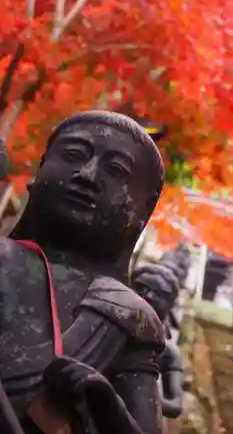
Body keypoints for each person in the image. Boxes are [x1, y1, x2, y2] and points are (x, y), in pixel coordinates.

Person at [1, 111, 167, 434]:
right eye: (73, 155)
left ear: (144, 209)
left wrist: (108, 405)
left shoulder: (128, 316)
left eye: (115, 170)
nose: (87, 175)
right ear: (40, 169)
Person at [132, 264, 184, 419]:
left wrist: (143, 401)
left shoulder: (168, 353)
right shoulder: (106, 330)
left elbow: (175, 405)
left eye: (159, 293)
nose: (148, 296)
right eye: (141, 288)